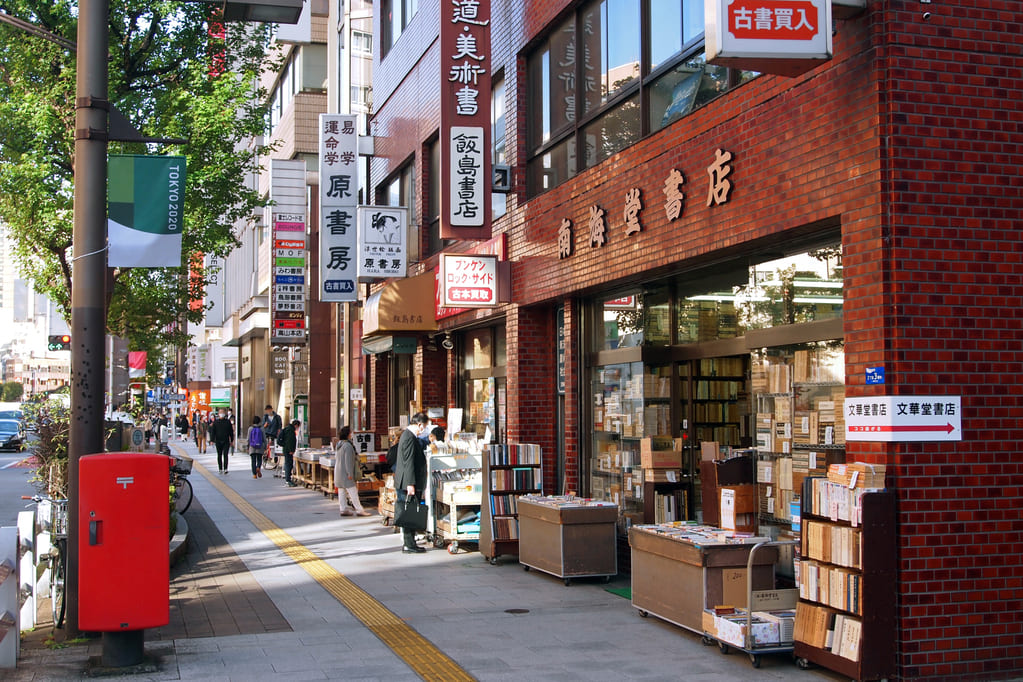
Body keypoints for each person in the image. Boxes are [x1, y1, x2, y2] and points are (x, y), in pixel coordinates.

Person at [395, 412, 430, 553]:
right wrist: (410, 484)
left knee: (408, 511)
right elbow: (408, 461)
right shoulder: (409, 437)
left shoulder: (408, 436)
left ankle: (410, 542)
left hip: (406, 481)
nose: (425, 429)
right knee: (409, 513)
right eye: (425, 426)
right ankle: (409, 544)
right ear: (420, 424)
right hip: (407, 482)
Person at [334, 426, 370, 517]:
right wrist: (350, 473)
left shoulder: (339, 444)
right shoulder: (348, 446)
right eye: (350, 433)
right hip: (346, 473)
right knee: (353, 491)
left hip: (338, 472)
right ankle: (359, 509)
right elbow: (348, 461)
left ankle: (343, 509)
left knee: (341, 491)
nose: (351, 434)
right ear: (348, 434)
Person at [209, 409, 235, 474]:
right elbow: (213, 432)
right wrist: (212, 440)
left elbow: (231, 432)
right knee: (219, 455)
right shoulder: (216, 422)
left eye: (223, 412)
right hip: (218, 440)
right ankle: (220, 468)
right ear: (218, 414)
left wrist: (232, 440)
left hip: (226, 440)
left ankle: (225, 468)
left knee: (225, 455)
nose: (222, 414)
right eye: (220, 412)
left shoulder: (228, 422)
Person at [278, 419, 300, 487]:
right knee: (288, 464)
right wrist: (291, 450)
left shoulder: (287, 428)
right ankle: (288, 480)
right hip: (288, 450)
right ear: (296, 425)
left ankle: (288, 479)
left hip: (286, 449)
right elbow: (290, 441)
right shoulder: (290, 431)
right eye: (298, 426)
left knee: (288, 463)